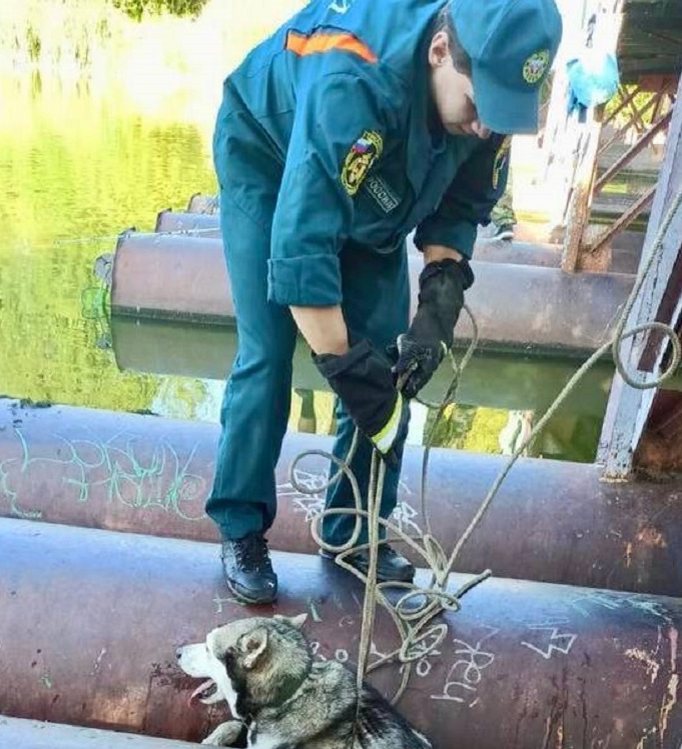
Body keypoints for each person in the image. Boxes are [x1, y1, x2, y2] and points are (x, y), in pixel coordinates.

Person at [205, 0, 562, 604]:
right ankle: (241, 528)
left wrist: (438, 303)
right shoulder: (355, 76)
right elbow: (301, 248)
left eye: (501, 114)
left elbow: (462, 203)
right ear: (440, 52)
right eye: (478, 106)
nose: (485, 126)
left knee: (391, 367)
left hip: (377, 191)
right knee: (268, 352)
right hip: (269, 156)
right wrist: (346, 369)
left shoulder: (488, 95)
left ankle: (354, 535)